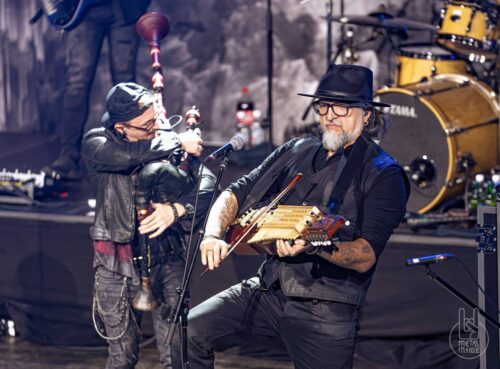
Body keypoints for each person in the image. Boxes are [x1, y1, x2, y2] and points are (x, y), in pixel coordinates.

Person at [171, 64, 410, 369]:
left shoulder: (383, 173)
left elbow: (365, 255)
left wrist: (314, 244)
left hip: (325, 308)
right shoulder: (296, 149)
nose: (330, 115)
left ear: (366, 114)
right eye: (324, 106)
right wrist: (212, 235)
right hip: (269, 289)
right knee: (188, 331)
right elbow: (234, 193)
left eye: (343, 107)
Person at [82, 82, 215, 369]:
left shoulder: (162, 134)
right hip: (118, 266)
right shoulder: (97, 143)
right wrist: (178, 141)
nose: (156, 127)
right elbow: (133, 156)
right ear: (121, 128)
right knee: (122, 358)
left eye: (155, 118)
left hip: (167, 258)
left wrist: (176, 209)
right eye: (146, 125)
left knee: (177, 357)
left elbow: (208, 182)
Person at [43, 0, 151, 180]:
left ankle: (132, 156)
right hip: (80, 11)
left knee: (125, 84)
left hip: (123, 8)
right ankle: (68, 156)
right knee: (77, 82)